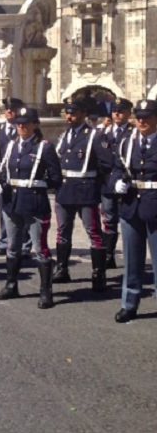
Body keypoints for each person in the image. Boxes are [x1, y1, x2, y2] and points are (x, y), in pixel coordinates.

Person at [0, 106, 62, 309]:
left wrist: (38, 185)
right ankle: (11, 284)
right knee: (12, 247)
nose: (21, 126)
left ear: (34, 125)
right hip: (12, 203)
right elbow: (4, 170)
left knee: (40, 249)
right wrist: (1, 182)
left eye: (25, 123)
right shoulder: (11, 146)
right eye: (18, 123)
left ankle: (45, 291)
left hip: (34, 204)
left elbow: (56, 178)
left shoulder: (44, 147)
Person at [52, 95, 113, 291]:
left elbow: (106, 164)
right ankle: (62, 268)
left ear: (83, 114)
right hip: (65, 189)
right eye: (67, 113)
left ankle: (98, 272)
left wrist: (99, 187)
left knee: (93, 232)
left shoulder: (94, 135)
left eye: (73, 113)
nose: (69, 117)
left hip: (86, 189)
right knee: (62, 232)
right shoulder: (64, 136)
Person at [110, 99, 157, 323]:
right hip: (131, 205)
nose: (142, 120)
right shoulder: (126, 143)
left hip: (155, 204)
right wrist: (116, 182)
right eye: (138, 117)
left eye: (147, 117)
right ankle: (129, 303)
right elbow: (118, 169)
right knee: (131, 260)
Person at [98, 97, 134, 268]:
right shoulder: (104, 133)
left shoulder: (133, 133)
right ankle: (109, 254)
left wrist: (126, 180)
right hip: (107, 183)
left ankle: (131, 254)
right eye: (114, 111)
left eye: (120, 111)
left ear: (128, 113)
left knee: (128, 218)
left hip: (127, 183)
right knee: (109, 219)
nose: (117, 114)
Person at [0, 97, 26, 256]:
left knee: (22, 210)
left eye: (12, 109)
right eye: (7, 109)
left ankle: (24, 244)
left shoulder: (24, 128)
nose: (9, 112)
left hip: (20, 175)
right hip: (3, 175)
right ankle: (4, 241)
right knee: (3, 210)